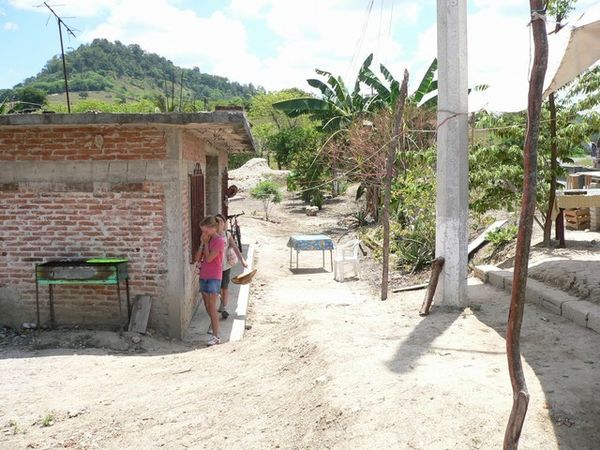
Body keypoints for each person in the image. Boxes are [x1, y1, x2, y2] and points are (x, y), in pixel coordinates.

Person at [194, 216, 225, 346]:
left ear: (213, 228)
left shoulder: (219, 240)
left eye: (205, 231)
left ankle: (216, 336)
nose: (203, 234)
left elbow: (209, 258)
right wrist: (202, 243)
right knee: (207, 306)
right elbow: (197, 258)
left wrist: (206, 243)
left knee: (212, 306)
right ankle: (214, 328)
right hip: (203, 276)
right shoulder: (206, 239)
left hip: (214, 276)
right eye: (202, 231)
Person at [215, 214, 248, 319]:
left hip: (225, 266)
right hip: (215, 267)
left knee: (224, 287)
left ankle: (223, 307)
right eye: (217, 222)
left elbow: (235, 247)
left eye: (221, 222)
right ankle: (220, 304)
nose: (220, 224)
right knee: (216, 289)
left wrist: (242, 260)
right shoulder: (212, 235)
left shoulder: (227, 234)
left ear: (224, 223)